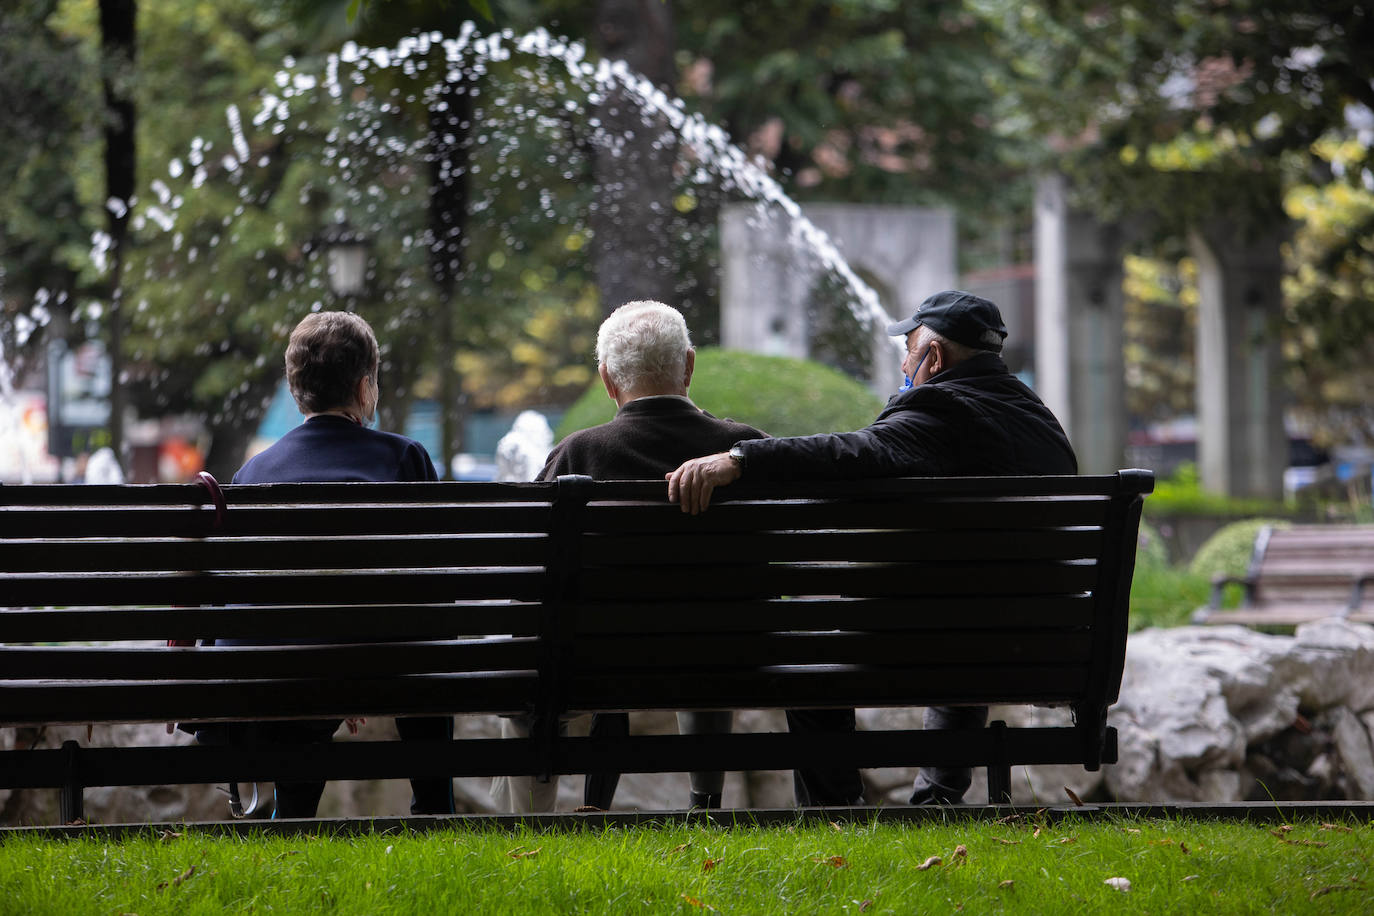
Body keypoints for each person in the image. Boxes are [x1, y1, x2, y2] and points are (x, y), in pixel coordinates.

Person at [666, 290, 1078, 807]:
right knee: (962, 626)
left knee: (809, 655)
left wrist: (742, 458)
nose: (903, 362)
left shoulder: (938, 408)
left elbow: (856, 450)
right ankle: (937, 801)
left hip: (946, 636)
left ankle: (837, 811)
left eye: (908, 347)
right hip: (1041, 641)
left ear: (934, 355)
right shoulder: (1039, 421)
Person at [493, 300, 767, 813]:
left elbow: (529, 582)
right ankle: (703, 802)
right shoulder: (744, 450)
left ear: (606, 380)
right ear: (688, 366)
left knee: (532, 672)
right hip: (729, 657)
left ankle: (529, 825)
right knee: (707, 640)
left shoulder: (578, 454)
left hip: (590, 665)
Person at [213, 310, 456, 819]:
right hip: (386, 665)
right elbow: (434, 590)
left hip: (282, 671)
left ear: (295, 386)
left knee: (297, 663)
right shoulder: (403, 458)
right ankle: (434, 804)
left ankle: (293, 815)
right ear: (365, 385)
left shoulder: (253, 472)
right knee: (427, 646)